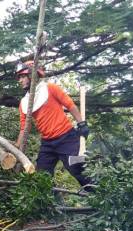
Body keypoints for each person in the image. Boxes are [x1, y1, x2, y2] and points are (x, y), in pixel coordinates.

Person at [15, 60, 91, 188]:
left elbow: (70, 105)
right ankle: (50, 205)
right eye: (19, 77)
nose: (20, 80)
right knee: (42, 176)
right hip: (47, 143)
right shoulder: (24, 102)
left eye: (22, 76)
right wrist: (17, 146)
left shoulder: (50, 88)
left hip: (66, 137)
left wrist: (82, 123)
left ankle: (99, 196)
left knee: (77, 170)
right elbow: (24, 127)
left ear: (32, 75)